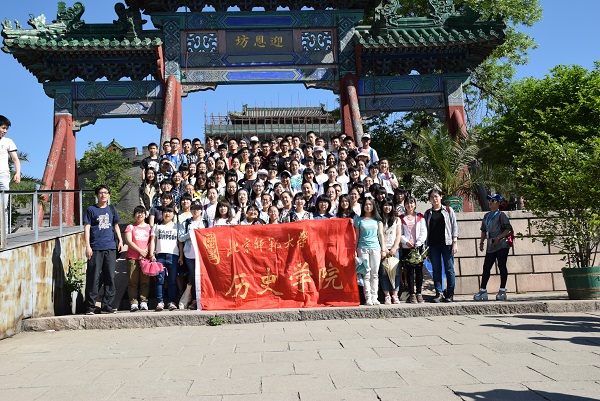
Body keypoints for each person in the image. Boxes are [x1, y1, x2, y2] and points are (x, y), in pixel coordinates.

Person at [83, 185, 123, 314]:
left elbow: (116, 225)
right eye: (100, 193)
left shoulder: (112, 209)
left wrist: (120, 240)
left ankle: (107, 305)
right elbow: (87, 228)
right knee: (93, 277)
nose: (103, 195)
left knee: (110, 277)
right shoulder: (91, 209)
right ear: (96, 195)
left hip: (110, 247)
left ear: (109, 195)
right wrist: (87, 246)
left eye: (105, 193)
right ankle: (90, 306)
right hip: (95, 248)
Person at [474, 194, 513, 301]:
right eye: (490, 200)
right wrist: (481, 242)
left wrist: (498, 237)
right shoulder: (486, 216)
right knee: (486, 267)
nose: (490, 202)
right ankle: (482, 290)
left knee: (501, 266)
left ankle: (502, 290)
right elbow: (483, 230)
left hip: (502, 245)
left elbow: (508, 229)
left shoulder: (501, 215)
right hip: (490, 246)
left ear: (498, 203)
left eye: (493, 200)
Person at [424, 189, 458, 303]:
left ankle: (450, 294)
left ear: (441, 197)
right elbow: (426, 229)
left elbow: (454, 226)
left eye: (436, 196)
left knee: (449, 269)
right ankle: (439, 293)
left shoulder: (448, 210)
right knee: (436, 269)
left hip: (447, 244)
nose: (434, 199)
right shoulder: (428, 213)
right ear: (429, 200)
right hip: (433, 245)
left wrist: (455, 242)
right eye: (432, 197)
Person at [354, 197, 386, 306]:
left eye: (370, 204)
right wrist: (355, 249)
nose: (368, 206)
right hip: (362, 248)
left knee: (375, 274)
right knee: (366, 274)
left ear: (373, 206)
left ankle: (374, 297)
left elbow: (381, 235)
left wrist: (383, 249)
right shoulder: (359, 220)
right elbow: (357, 236)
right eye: (366, 204)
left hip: (375, 248)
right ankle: (368, 298)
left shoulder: (378, 221)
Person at [148, 205, 180, 311]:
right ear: (162, 214)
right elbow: (153, 240)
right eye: (165, 212)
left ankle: (172, 301)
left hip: (173, 255)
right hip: (160, 256)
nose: (167, 214)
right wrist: (151, 254)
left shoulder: (177, 226)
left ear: (173, 214)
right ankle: (160, 302)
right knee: (160, 280)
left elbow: (180, 242)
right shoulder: (157, 226)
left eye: (170, 212)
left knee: (172, 280)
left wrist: (181, 256)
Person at [177, 200, 205, 310]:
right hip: (189, 254)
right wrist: (191, 234)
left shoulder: (205, 222)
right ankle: (194, 299)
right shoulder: (186, 223)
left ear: (201, 210)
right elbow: (180, 238)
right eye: (193, 208)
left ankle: (203, 298)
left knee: (202, 277)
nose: (195, 211)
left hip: (202, 254)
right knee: (194, 277)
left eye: (198, 209)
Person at [400, 196, 428, 304]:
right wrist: (406, 241)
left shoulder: (420, 217)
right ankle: (412, 294)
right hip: (407, 247)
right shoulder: (401, 218)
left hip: (418, 247)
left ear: (415, 204)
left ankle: (419, 293)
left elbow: (424, 231)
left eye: (412, 203)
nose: (409, 205)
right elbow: (400, 233)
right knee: (409, 272)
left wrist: (419, 243)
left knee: (419, 271)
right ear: (404, 205)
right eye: (407, 203)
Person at [124, 206, 151, 312]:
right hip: (133, 257)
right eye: (138, 213)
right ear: (134, 215)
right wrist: (140, 251)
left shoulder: (149, 227)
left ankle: (144, 301)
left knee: (145, 281)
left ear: (145, 215)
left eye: (142, 213)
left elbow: (151, 241)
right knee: (132, 281)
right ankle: (134, 303)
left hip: (145, 258)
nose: (140, 215)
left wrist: (145, 252)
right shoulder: (130, 227)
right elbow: (129, 241)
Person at [0, 115, 20, 233]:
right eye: (3, 128)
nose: (5, 131)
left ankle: (4, 234)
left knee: (3, 206)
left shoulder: (8, 142)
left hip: (3, 176)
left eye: (6, 128)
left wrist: (17, 173)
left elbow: (15, 159)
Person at [379, 199, 402, 304]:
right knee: (384, 273)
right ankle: (387, 295)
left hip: (394, 249)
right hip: (383, 249)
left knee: (395, 272)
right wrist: (384, 249)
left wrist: (394, 248)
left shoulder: (397, 219)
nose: (387, 207)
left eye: (389, 205)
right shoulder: (379, 219)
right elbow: (379, 235)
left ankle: (395, 295)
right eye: (385, 205)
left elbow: (398, 235)